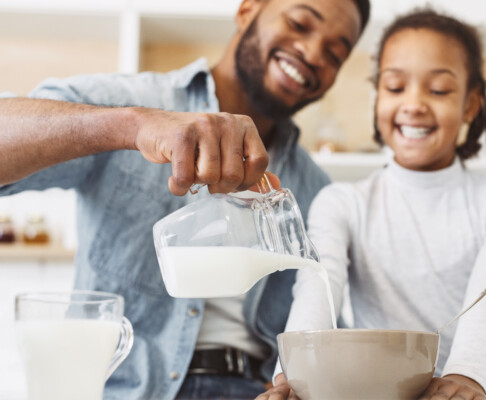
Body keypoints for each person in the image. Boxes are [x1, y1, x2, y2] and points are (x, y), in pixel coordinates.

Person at [0, 0, 371, 398]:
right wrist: (132, 125)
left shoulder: (315, 187)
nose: (313, 54)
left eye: (335, 53)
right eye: (300, 22)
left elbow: (322, 315)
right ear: (247, 11)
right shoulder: (133, 102)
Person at [259, 8, 486, 400]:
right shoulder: (342, 202)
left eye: (438, 90)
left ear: (470, 105)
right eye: (394, 88)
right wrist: (293, 376)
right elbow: (318, 288)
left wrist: (466, 378)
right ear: (377, 99)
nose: (414, 104)